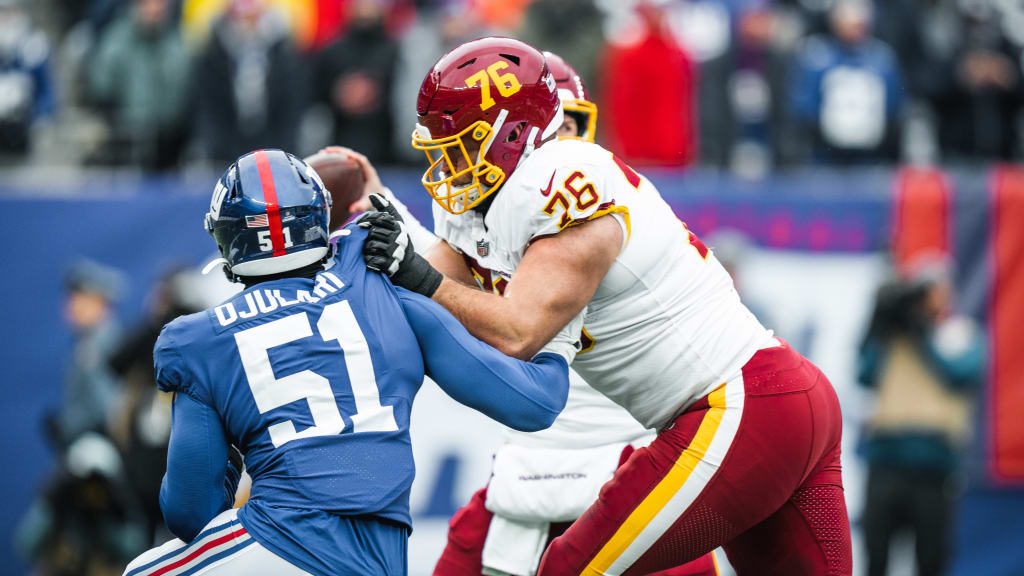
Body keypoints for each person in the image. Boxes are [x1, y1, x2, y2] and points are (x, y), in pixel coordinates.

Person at [358, 37, 852, 574]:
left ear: (515, 134)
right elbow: (429, 286)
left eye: (460, 144)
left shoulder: (559, 180)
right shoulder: (492, 200)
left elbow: (517, 331)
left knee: (566, 568)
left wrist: (417, 273)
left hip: (737, 408)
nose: (447, 161)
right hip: (780, 401)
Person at [121, 149, 576, 576]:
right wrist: (565, 328)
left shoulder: (198, 340)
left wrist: (229, 463)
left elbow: (189, 512)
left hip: (284, 544)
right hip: (382, 560)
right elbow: (533, 404)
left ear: (226, 237)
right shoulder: (379, 286)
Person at [415, 53, 716, 576]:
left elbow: (514, 328)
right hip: (527, 467)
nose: (561, 148)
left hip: (634, 455)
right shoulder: (478, 209)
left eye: (572, 127)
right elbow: (434, 279)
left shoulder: (599, 205)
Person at [858, 255, 984, 576]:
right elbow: (864, 374)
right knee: (876, 557)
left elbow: (959, 373)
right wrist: (877, 325)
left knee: (931, 559)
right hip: (886, 460)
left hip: (934, 465)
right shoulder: (894, 337)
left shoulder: (961, 333)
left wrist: (921, 333)